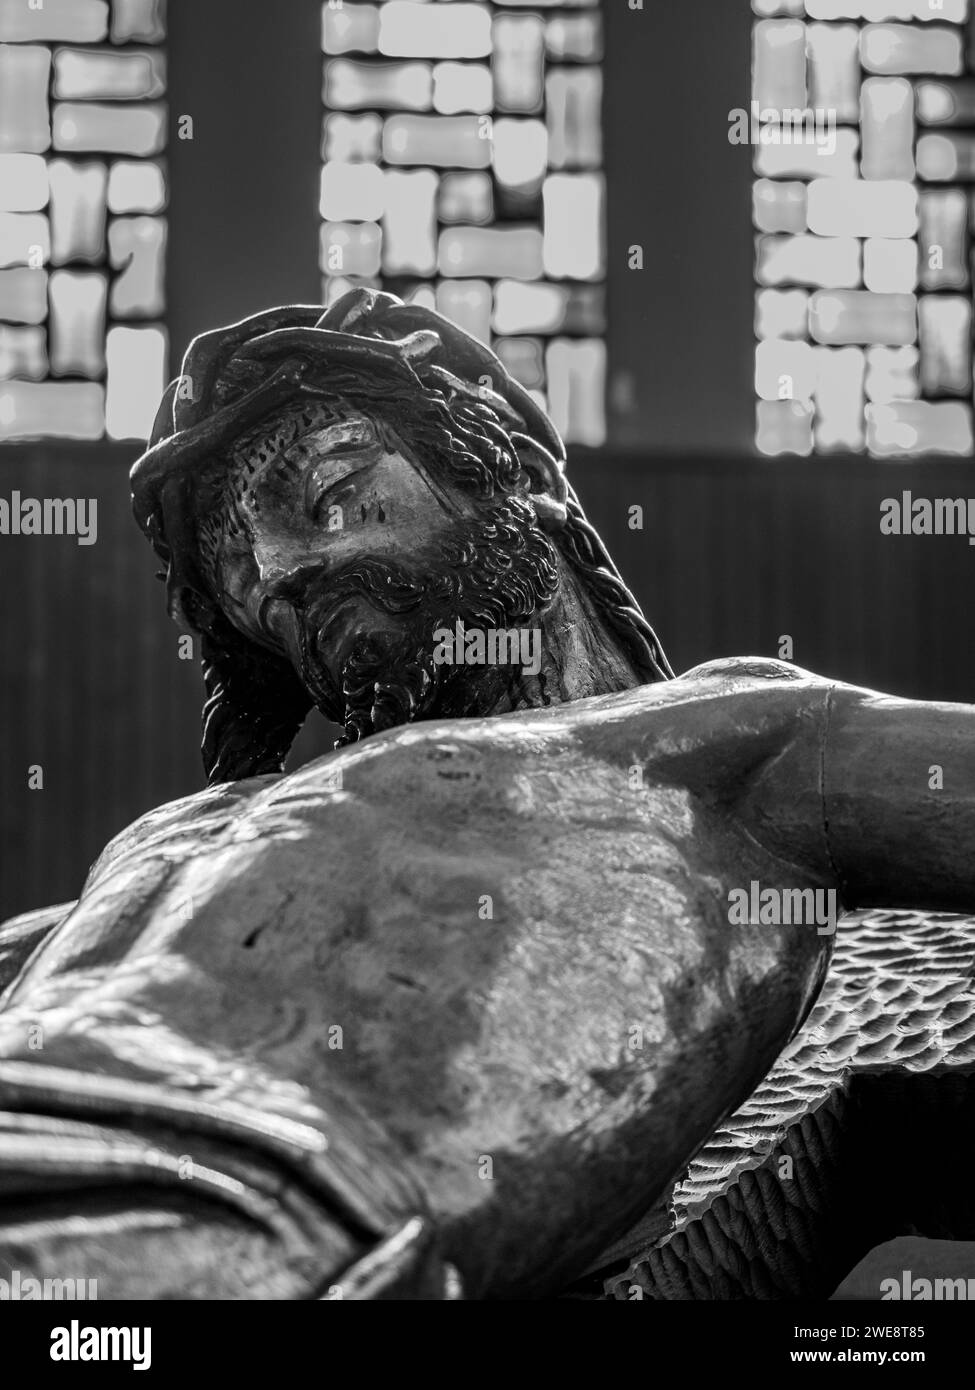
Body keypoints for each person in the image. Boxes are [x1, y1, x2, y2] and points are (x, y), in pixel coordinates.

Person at [0, 290, 971, 1299]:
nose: (281, 570)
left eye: (331, 485)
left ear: (510, 460)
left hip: (184, 1230)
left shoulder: (715, 751)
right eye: (237, 562)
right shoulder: (171, 846)